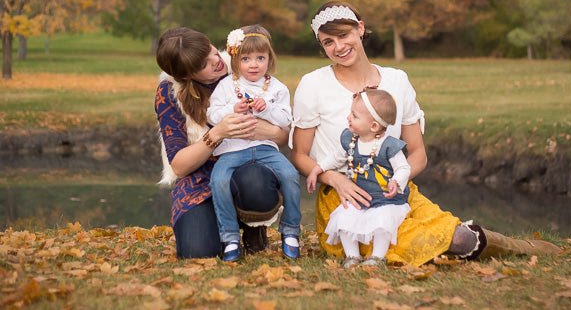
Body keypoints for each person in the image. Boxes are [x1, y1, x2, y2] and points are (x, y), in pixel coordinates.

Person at [291, 0, 562, 266]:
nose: (338, 46)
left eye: (343, 35)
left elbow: (418, 154)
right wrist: (335, 179)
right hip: (346, 202)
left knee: (459, 237)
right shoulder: (313, 85)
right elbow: (300, 156)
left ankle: (522, 247)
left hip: (395, 193)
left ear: (360, 29)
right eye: (328, 42)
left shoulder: (397, 80)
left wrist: (395, 182)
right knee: (433, 243)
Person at [155, 27, 289, 260]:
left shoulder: (242, 65)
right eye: (204, 65)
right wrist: (217, 134)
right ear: (186, 76)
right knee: (198, 253)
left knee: (256, 183)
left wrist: (266, 131)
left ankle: (253, 225)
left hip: (247, 164)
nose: (216, 61)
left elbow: (285, 135)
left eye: (211, 51)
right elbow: (179, 166)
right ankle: (220, 228)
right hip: (200, 178)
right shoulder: (169, 93)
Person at [206, 25, 301, 261]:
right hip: (232, 150)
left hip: (266, 149)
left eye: (260, 58)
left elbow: (285, 120)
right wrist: (232, 109)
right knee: (218, 180)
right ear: (236, 61)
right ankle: (230, 236)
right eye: (246, 59)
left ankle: (290, 230)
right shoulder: (227, 85)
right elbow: (212, 115)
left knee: (290, 175)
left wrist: (266, 109)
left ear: (270, 59)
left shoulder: (277, 88)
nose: (254, 64)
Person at [307, 88, 411, 267]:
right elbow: (335, 158)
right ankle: (352, 256)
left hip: (385, 199)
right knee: (344, 218)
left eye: (354, 116)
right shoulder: (351, 140)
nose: (348, 117)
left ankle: (377, 257)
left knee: (382, 222)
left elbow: (403, 167)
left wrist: (396, 181)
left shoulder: (388, 146)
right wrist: (318, 169)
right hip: (359, 197)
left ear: (374, 126)